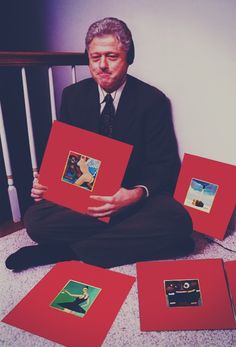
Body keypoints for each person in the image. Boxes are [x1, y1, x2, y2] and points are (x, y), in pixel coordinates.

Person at [5, 17, 194, 271]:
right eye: (95, 57)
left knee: (178, 221)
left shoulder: (153, 100)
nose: (102, 65)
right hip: (89, 194)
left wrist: (133, 194)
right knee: (35, 220)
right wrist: (46, 183)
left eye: (112, 56)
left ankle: (69, 251)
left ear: (129, 57)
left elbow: (166, 164)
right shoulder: (72, 96)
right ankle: (122, 244)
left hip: (132, 197)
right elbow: (63, 156)